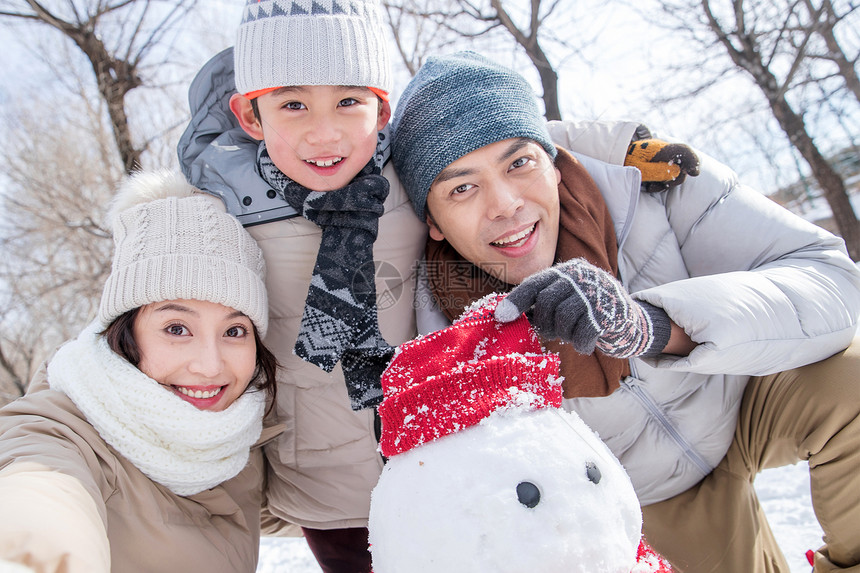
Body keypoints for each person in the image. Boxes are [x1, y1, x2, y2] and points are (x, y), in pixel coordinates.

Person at [390, 51, 860, 573]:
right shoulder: (438, 337)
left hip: (740, 397)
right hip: (637, 501)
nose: (504, 204)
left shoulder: (653, 180)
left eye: (519, 163)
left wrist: (654, 327)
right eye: (462, 187)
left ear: (555, 161)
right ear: (431, 222)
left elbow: (833, 280)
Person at [176, 1, 426, 570]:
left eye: (348, 101)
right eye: (293, 104)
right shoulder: (220, 209)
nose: (323, 131)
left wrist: (623, 143)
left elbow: (521, 141)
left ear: (381, 108)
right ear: (251, 116)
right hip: (324, 483)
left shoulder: (415, 179)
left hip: (438, 454)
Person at [0, 169, 280, 572]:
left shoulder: (236, 437)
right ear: (123, 332)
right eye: (176, 329)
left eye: (234, 330)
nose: (210, 365)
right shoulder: (62, 435)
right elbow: (37, 498)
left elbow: (294, 508)